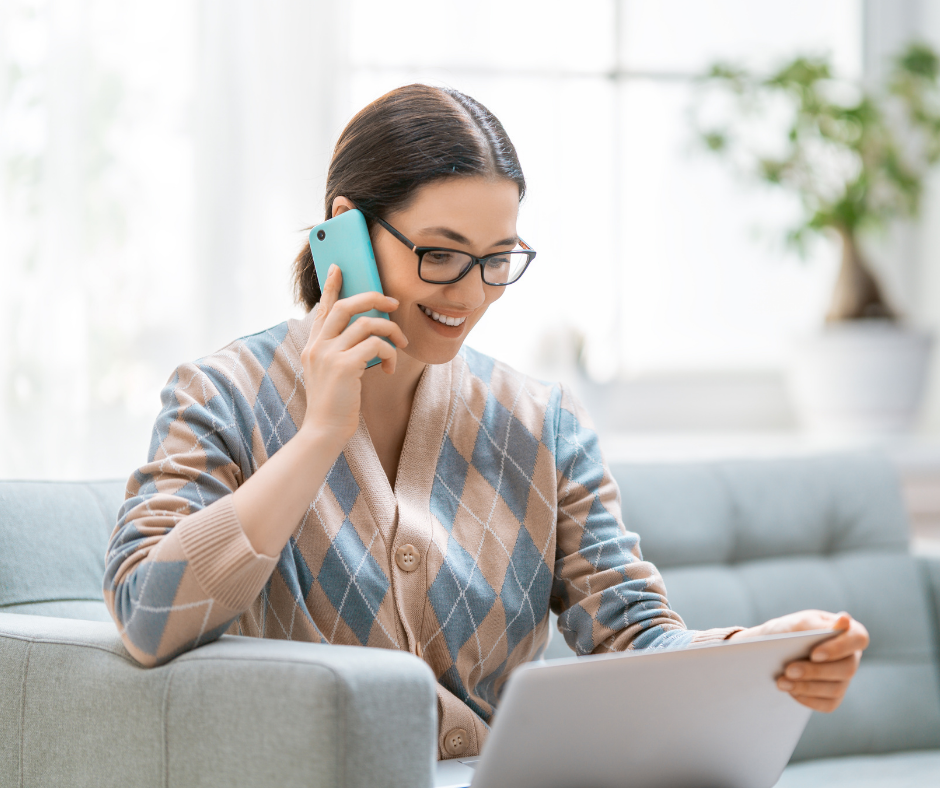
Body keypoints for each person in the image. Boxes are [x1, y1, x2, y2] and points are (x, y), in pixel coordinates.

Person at [104, 84, 869, 760]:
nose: (470, 294)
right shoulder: (220, 396)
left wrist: (756, 653)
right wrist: (317, 439)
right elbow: (146, 616)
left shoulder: (543, 423)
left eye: (498, 258)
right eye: (441, 255)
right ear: (347, 228)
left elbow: (633, 634)